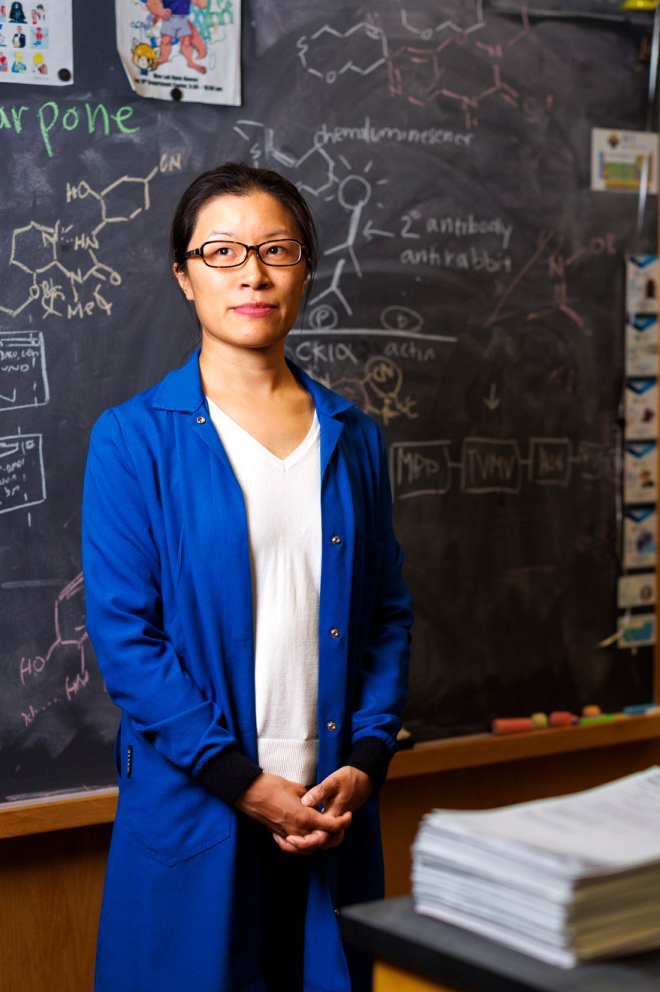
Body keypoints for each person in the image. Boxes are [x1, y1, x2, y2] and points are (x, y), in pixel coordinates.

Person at [82, 162, 412, 992]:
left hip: (333, 801)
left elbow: (387, 615)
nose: (253, 274)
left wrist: (368, 758)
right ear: (183, 274)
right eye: (222, 252)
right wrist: (244, 783)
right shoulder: (132, 440)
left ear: (306, 267)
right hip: (201, 802)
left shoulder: (354, 436)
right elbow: (127, 640)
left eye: (276, 249)